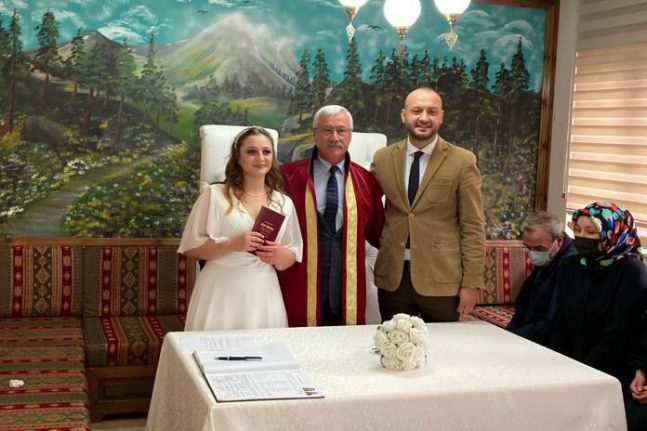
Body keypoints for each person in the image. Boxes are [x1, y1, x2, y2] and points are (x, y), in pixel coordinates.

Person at [371, 87, 486, 322]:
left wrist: (472, 282)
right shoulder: (383, 159)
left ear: (441, 116)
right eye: (416, 111)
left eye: (431, 112)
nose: (424, 118)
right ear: (403, 115)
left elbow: (473, 226)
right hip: (393, 280)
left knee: (443, 344)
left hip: (441, 281)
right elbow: (366, 208)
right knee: (394, 342)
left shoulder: (463, 161)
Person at [178, 126, 303, 330]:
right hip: (220, 291)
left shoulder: (283, 203)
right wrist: (232, 244)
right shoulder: (214, 195)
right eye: (251, 151)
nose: (260, 158)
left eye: (266, 151)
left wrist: (279, 255)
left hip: (264, 293)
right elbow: (191, 248)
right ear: (238, 157)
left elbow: (293, 253)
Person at [278, 105, 384, 327]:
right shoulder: (287, 176)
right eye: (327, 130)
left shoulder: (366, 181)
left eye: (341, 131)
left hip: (347, 285)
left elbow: (378, 232)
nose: (335, 137)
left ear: (350, 135)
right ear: (315, 134)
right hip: (300, 281)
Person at [549, 202, 647, 384]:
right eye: (577, 230)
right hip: (567, 365)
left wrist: (582, 372)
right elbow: (559, 321)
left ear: (614, 234)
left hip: (612, 372)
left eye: (591, 232)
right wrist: (559, 361)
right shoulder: (571, 265)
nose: (581, 237)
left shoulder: (632, 272)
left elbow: (617, 334)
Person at [506, 212, 577, 345]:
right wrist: (507, 334)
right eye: (528, 248)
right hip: (530, 331)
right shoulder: (548, 258)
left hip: (550, 341)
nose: (533, 254)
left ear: (559, 240)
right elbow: (523, 306)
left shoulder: (571, 265)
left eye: (539, 248)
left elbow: (553, 321)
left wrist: (514, 339)